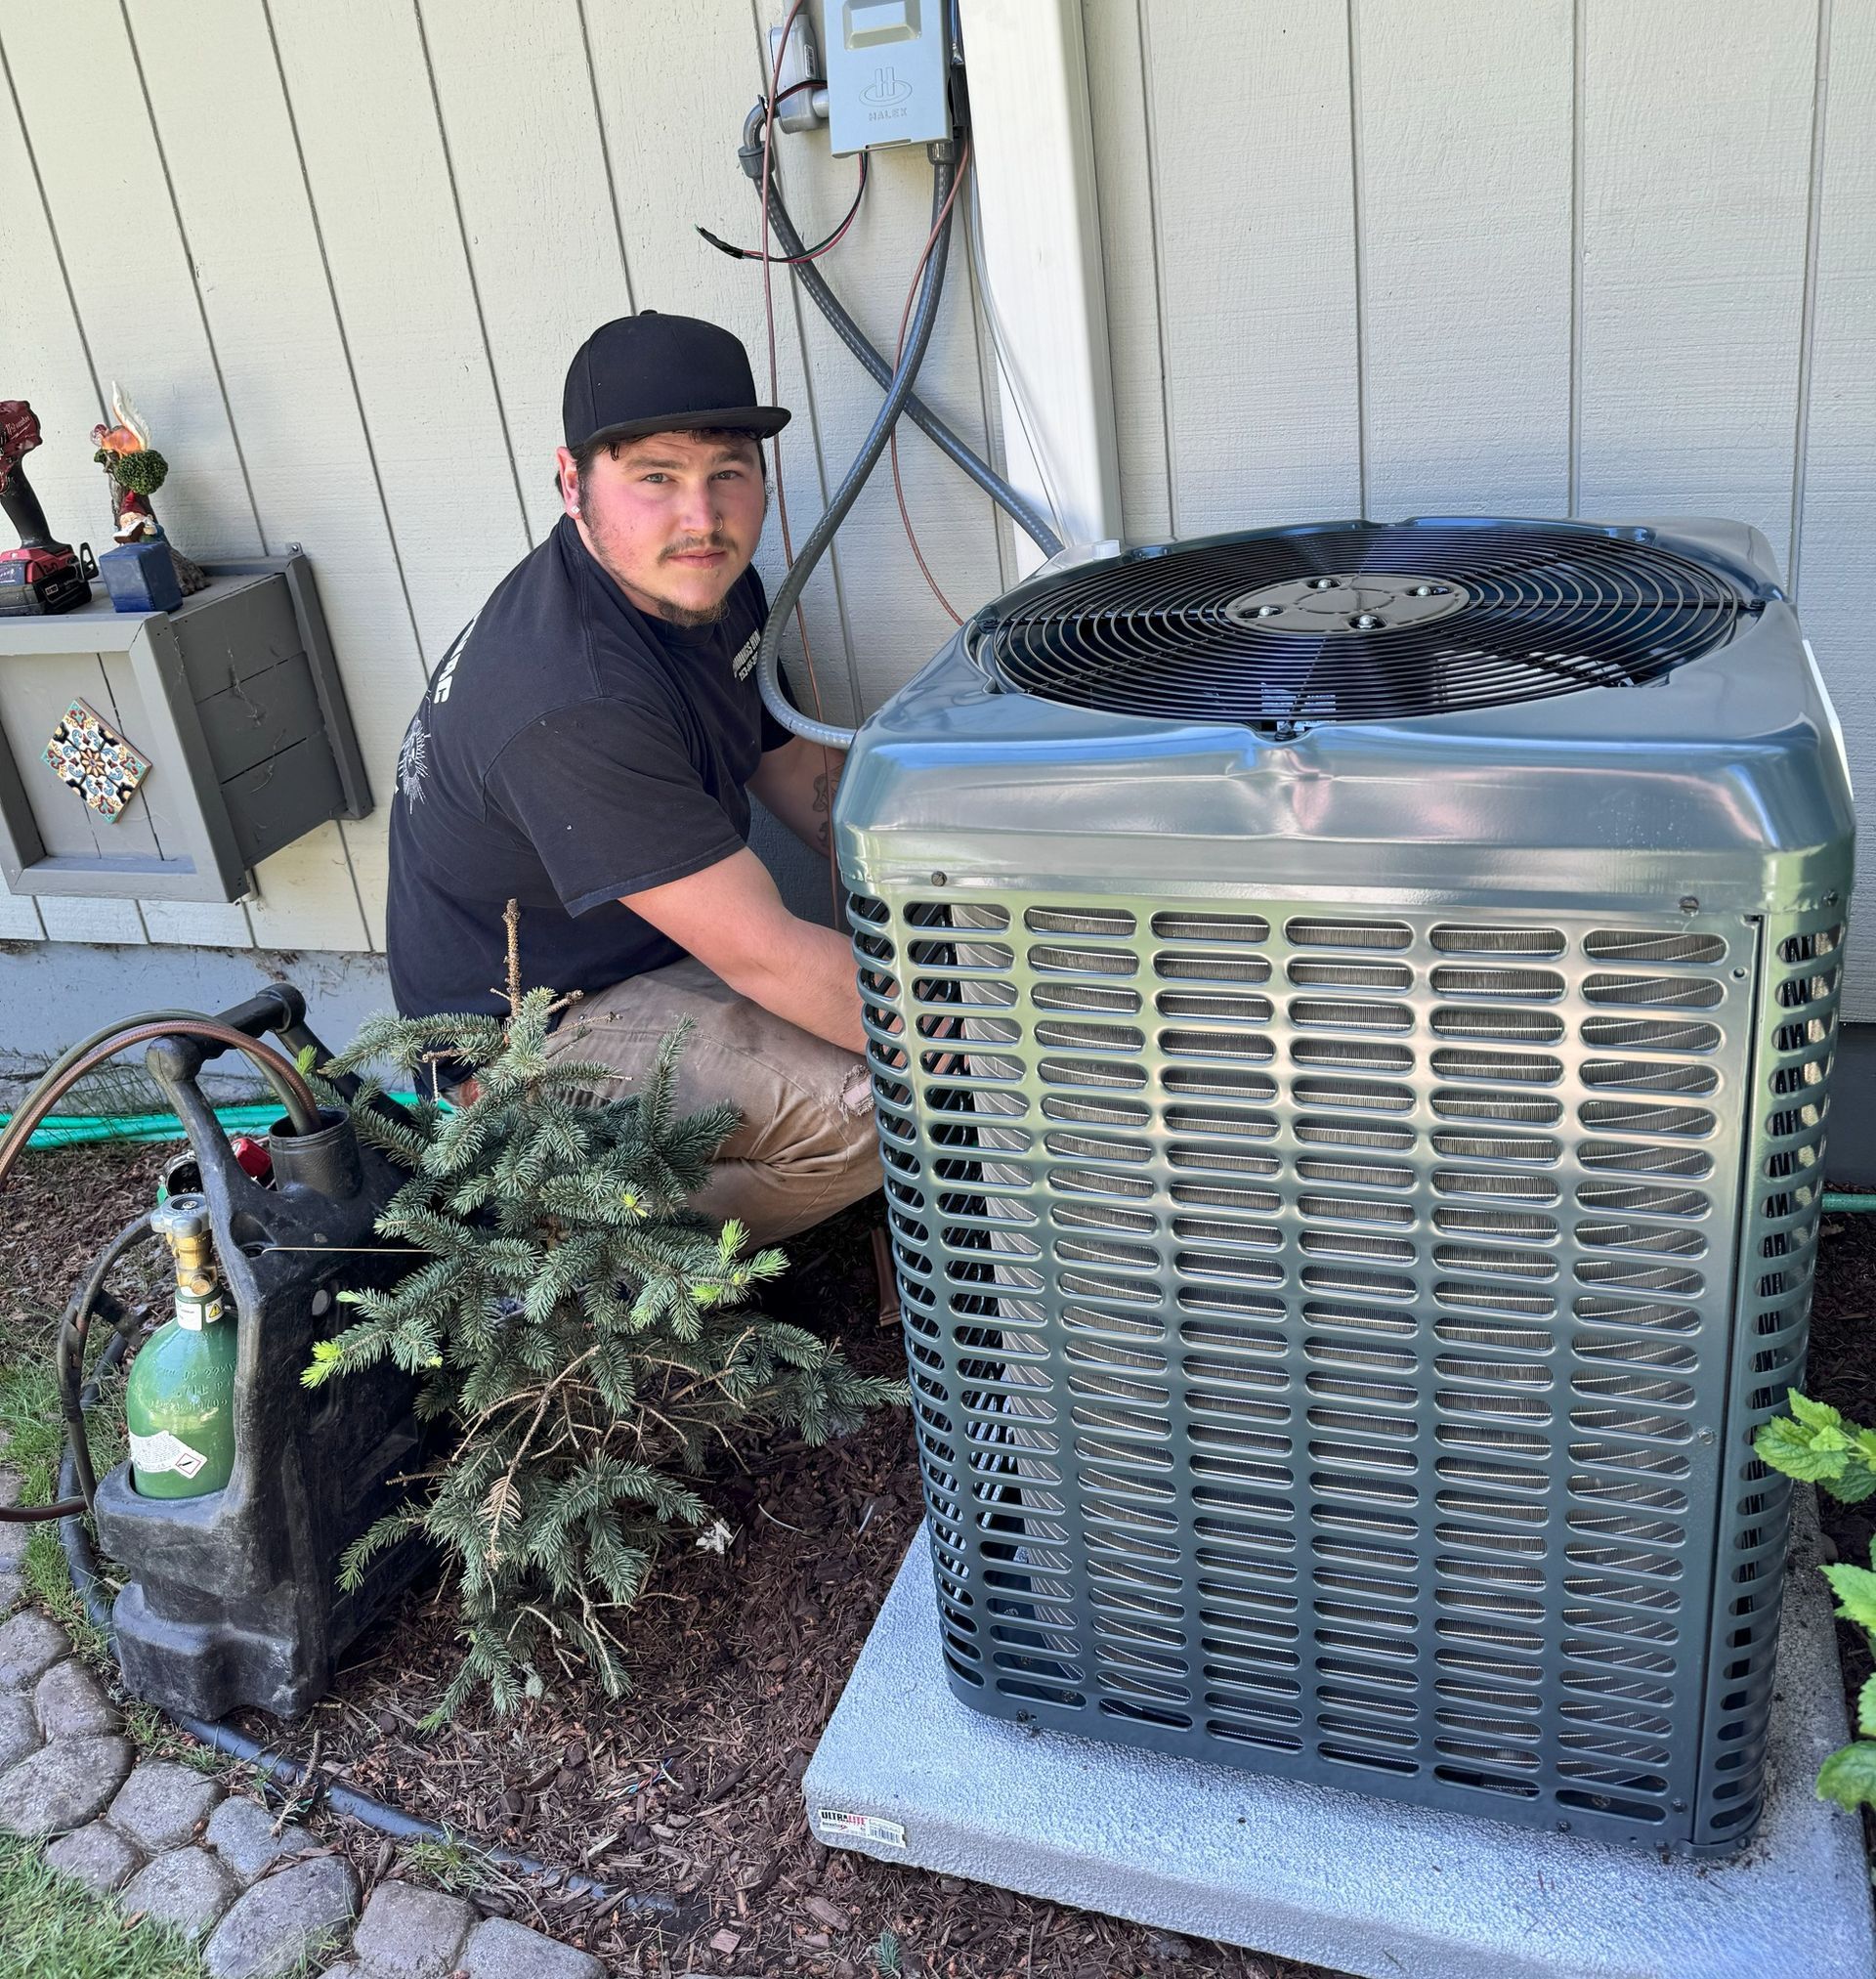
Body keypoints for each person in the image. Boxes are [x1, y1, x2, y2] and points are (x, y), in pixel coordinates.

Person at [385, 313, 880, 1248]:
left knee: (881, 1031)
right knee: (873, 1104)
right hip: (528, 1041)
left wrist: (954, 892)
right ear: (571, 482)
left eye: (727, 472)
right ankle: (579, 1239)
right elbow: (764, 951)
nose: (702, 517)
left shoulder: (708, 583)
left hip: (644, 954)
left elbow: (796, 770)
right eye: (656, 477)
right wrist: (994, 1059)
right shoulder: (570, 694)